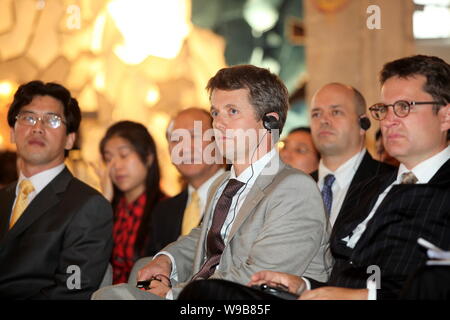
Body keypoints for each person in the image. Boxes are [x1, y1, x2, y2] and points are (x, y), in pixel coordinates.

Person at [182, 55, 450, 300]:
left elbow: (434, 285)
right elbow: (340, 270)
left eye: (403, 107)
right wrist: (306, 286)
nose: (389, 120)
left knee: (207, 296)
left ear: (445, 115)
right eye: (384, 109)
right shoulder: (370, 189)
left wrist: (361, 297)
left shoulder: (439, 190)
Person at [92, 64, 332, 300]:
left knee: (110, 296)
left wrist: (172, 294)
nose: (218, 123)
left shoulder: (293, 189)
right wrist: (168, 260)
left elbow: (258, 279)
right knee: (140, 270)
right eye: (215, 112)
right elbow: (205, 237)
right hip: (201, 296)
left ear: (269, 122)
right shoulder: (225, 184)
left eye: (232, 111)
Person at [0, 80, 113, 299]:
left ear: (70, 139)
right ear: (13, 132)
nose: (37, 127)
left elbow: (72, 291)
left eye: (52, 120)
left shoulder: (89, 206)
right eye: (28, 117)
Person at [309, 83, 395, 228]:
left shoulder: (391, 182)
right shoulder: (295, 187)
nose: (323, 120)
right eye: (316, 114)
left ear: (363, 123)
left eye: (336, 112)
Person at [144, 108, 225, 257]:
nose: (185, 147)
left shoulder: (239, 197)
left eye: (195, 136)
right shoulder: (163, 211)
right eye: (176, 140)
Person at [98, 121, 166, 284]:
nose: (116, 166)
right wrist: (103, 203)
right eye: (108, 159)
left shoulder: (165, 209)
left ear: (148, 157)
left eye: (124, 155)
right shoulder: (110, 208)